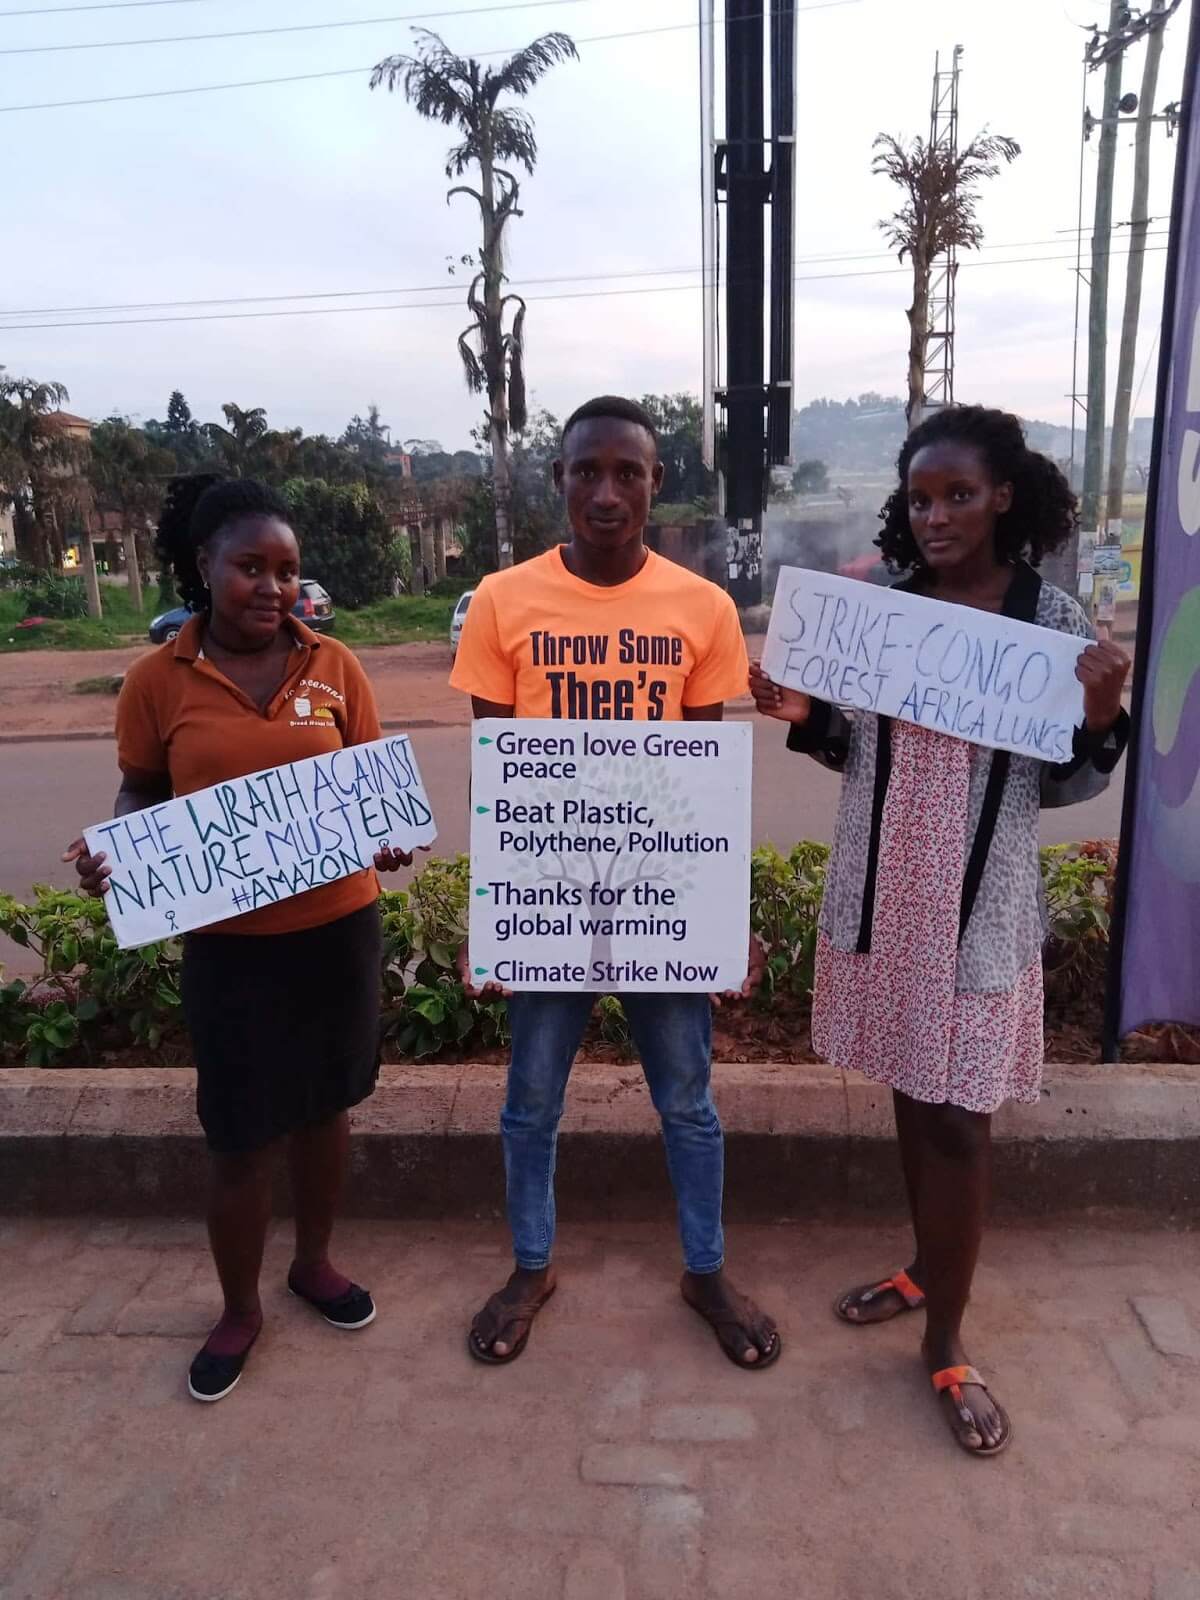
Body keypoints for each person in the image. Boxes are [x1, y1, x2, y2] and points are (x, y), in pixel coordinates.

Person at [751, 405, 1130, 1456]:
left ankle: (948, 1340)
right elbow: (857, 744)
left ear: (1004, 495)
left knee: (961, 1120)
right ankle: (925, 1269)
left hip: (976, 908)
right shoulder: (888, 606)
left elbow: (1067, 781)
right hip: (886, 894)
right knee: (913, 1096)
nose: (936, 516)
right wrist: (805, 715)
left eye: (959, 494)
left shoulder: (1050, 620)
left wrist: (1101, 716)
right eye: (920, 499)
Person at [64, 476, 413, 1404]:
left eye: (287, 570)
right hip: (229, 948)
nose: (273, 587)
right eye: (251, 567)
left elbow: (371, 786)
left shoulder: (336, 665)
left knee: (328, 1109)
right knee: (238, 1136)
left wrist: (385, 832)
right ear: (204, 566)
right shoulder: (156, 680)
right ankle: (239, 1308)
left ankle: (315, 1264)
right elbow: (142, 788)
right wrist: (123, 851)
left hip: (337, 931)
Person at [450, 395, 780, 1370]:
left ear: (654, 483)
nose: (605, 491)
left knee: (688, 1102)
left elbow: (703, 782)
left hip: (658, 895)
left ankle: (706, 1270)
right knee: (529, 1101)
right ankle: (531, 1265)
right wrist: (492, 915)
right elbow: (498, 779)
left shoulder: (702, 608)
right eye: (586, 471)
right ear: (558, 479)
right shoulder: (502, 602)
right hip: (550, 893)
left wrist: (720, 919)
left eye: (626, 472)